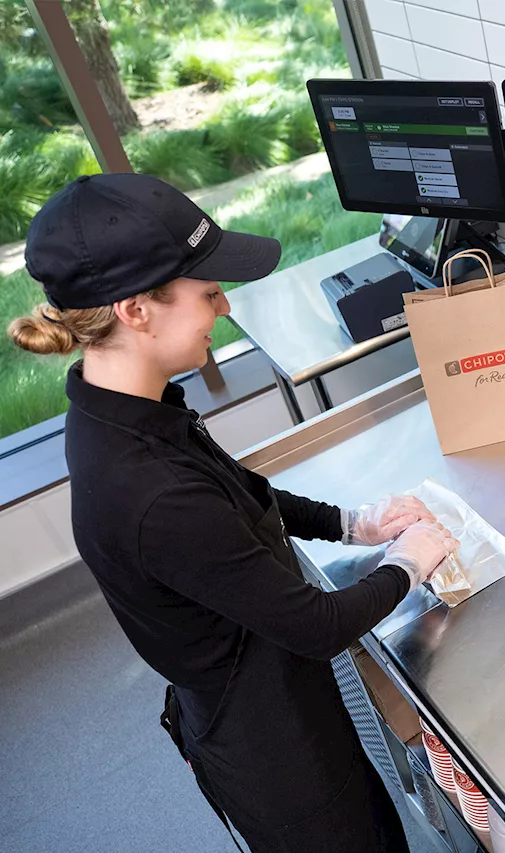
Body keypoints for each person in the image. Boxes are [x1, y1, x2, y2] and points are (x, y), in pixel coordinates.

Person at [7, 173, 459, 852]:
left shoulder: (130, 409)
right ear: (135, 309)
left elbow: (240, 494)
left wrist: (350, 522)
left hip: (273, 685)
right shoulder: (149, 491)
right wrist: (408, 560)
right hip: (274, 748)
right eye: (209, 293)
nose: (222, 310)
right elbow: (315, 625)